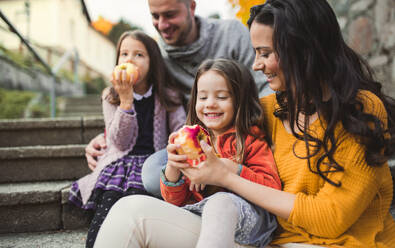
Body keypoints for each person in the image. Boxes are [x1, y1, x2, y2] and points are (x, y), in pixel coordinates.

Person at [94, 0, 395, 247]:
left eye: (265, 53)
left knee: (222, 204)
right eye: (255, 53)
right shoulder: (268, 108)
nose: (256, 65)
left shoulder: (360, 110)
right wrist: (108, 139)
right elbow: (213, 122)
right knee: (130, 211)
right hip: (268, 239)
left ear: (303, 51)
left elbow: (331, 219)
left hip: (336, 244)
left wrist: (228, 175)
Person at [84, 0, 274, 193]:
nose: (162, 24)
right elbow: (145, 105)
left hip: (240, 140)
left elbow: (266, 87)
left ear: (191, 7)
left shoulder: (231, 34)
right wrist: (106, 136)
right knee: (151, 173)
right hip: (196, 144)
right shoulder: (159, 60)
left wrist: (257, 134)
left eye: (170, 14)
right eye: (155, 16)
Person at [68, 30, 186, 247]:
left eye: (139, 55)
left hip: (152, 163)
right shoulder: (111, 95)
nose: (130, 59)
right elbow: (119, 142)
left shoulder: (168, 95)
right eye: (124, 54)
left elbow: (180, 133)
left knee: (138, 197)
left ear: (153, 62)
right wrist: (125, 100)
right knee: (108, 204)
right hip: (120, 164)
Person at [159, 58, 281, 247]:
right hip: (205, 218)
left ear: (240, 100)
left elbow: (272, 189)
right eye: (203, 97)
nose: (210, 104)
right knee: (130, 204)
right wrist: (173, 168)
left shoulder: (249, 140)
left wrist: (230, 168)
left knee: (220, 202)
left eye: (222, 97)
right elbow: (175, 200)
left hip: (250, 222)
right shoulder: (193, 143)